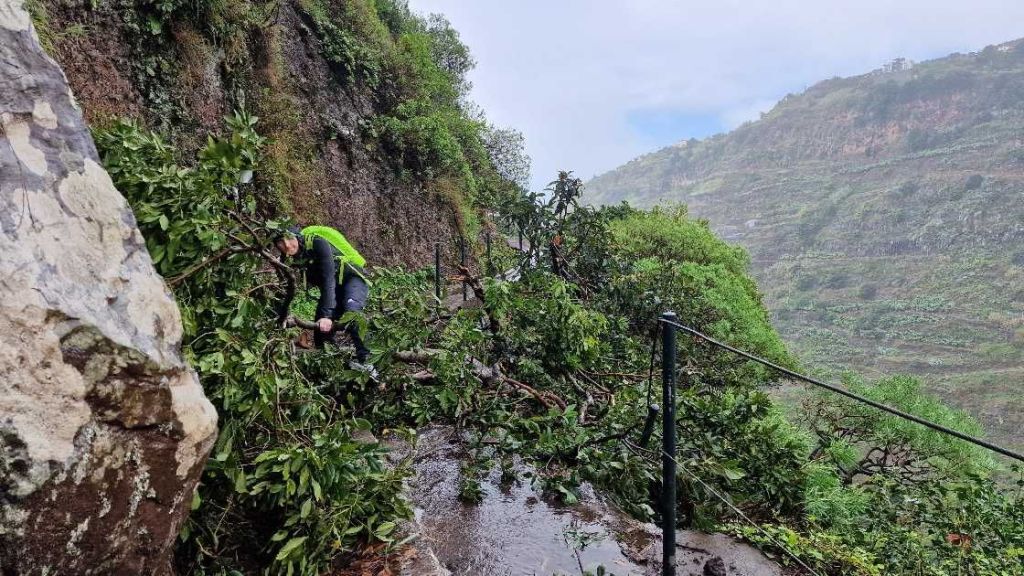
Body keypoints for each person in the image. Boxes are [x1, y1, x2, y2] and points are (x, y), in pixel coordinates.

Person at [275, 225, 377, 377]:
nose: (287, 245)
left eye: (289, 239)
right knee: (320, 336)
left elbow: (328, 278)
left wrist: (326, 315)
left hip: (352, 279)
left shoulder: (318, 242)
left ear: (297, 236)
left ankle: (369, 363)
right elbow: (284, 290)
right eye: (280, 243)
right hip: (334, 290)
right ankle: (339, 366)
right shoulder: (293, 259)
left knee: (352, 314)